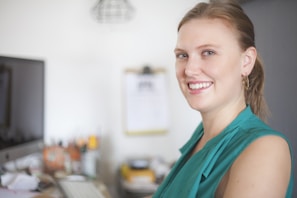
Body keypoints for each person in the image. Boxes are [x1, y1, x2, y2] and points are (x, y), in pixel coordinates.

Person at [153, 0, 294, 197]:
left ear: (246, 62)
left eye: (208, 52)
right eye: (182, 55)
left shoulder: (266, 149)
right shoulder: (201, 136)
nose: (190, 69)